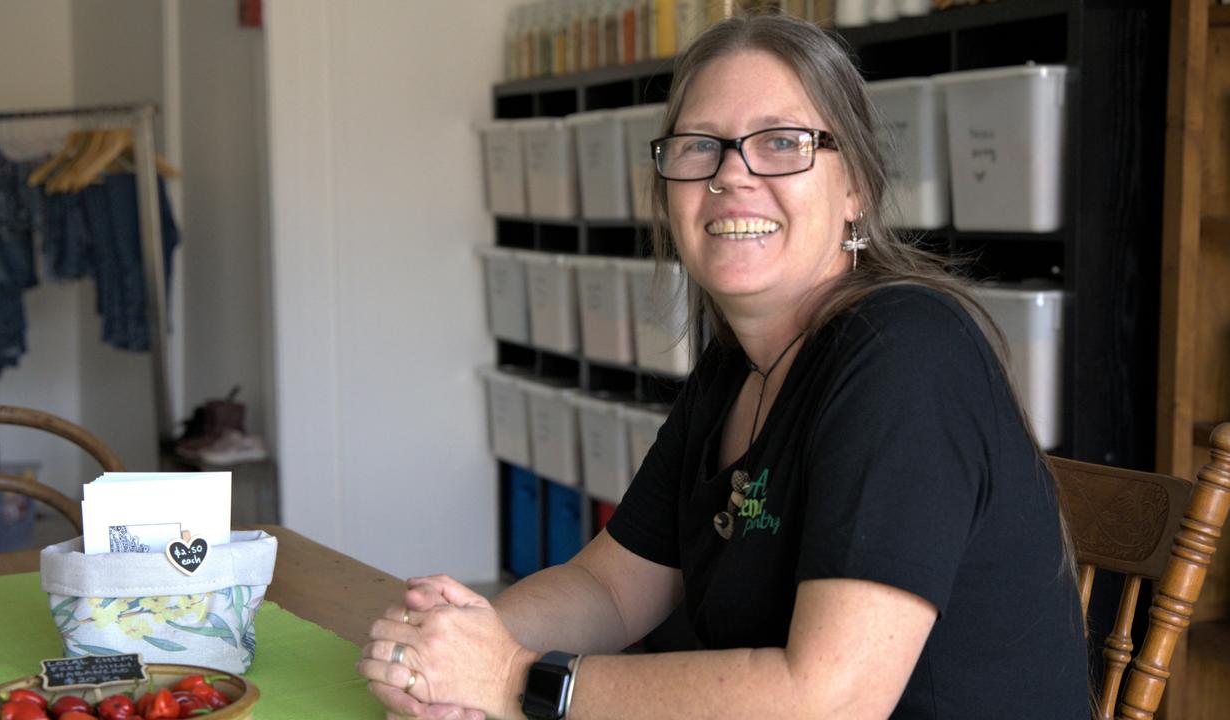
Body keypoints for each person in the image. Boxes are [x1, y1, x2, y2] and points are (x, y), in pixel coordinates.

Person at [358, 13, 1088, 720]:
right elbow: (609, 587)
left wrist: (516, 678)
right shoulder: (736, 366)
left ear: (855, 187)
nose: (731, 176)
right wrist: (458, 646)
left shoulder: (907, 353)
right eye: (699, 147)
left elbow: (828, 700)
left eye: (780, 142)